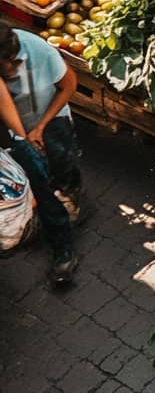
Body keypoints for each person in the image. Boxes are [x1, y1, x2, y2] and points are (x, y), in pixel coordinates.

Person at [0, 25, 80, 283]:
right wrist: (23, 137)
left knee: (54, 170)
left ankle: (63, 248)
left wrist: (39, 128)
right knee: (35, 178)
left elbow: (69, 85)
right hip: (16, 128)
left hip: (50, 117)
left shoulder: (38, 49)